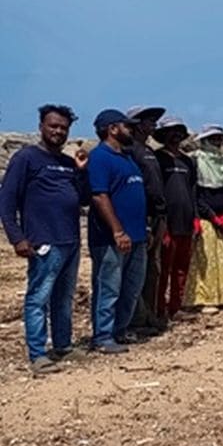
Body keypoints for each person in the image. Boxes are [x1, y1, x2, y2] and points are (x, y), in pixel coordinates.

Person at [0, 104, 88, 373]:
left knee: (63, 297)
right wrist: (17, 238)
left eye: (63, 128)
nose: (58, 131)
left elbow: (83, 199)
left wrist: (82, 171)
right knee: (38, 297)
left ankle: (62, 345)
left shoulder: (66, 163)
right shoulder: (26, 158)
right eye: (53, 126)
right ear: (41, 127)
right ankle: (38, 354)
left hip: (70, 240)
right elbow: (6, 202)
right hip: (42, 242)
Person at [87, 109, 147, 353]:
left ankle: (119, 330)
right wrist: (118, 231)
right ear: (112, 129)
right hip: (112, 238)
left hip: (138, 236)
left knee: (131, 288)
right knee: (108, 287)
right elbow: (100, 196)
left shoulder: (127, 158)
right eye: (127, 126)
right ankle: (102, 336)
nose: (131, 130)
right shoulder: (100, 157)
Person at [125, 105, 167, 336]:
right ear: (138, 124)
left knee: (153, 269)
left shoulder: (148, 150)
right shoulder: (130, 150)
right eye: (149, 121)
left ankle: (148, 314)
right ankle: (136, 319)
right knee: (137, 271)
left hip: (158, 215)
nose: (153, 125)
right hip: (144, 218)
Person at [185, 124, 223, 313]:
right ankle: (204, 299)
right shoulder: (196, 161)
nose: (217, 142)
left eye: (219, 139)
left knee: (222, 257)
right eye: (213, 138)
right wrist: (212, 217)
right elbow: (196, 193)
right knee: (205, 259)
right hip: (207, 217)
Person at [152, 117, 198, 322]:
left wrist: (196, 218)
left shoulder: (188, 161)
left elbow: (193, 190)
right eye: (171, 132)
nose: (176, 136)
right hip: (166, 224)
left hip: (186, 222)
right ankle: (159, 308)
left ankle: (176, 307)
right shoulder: (157, 159)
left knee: (181, 269)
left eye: (179, 132)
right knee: (163, 269)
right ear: (163, 135)